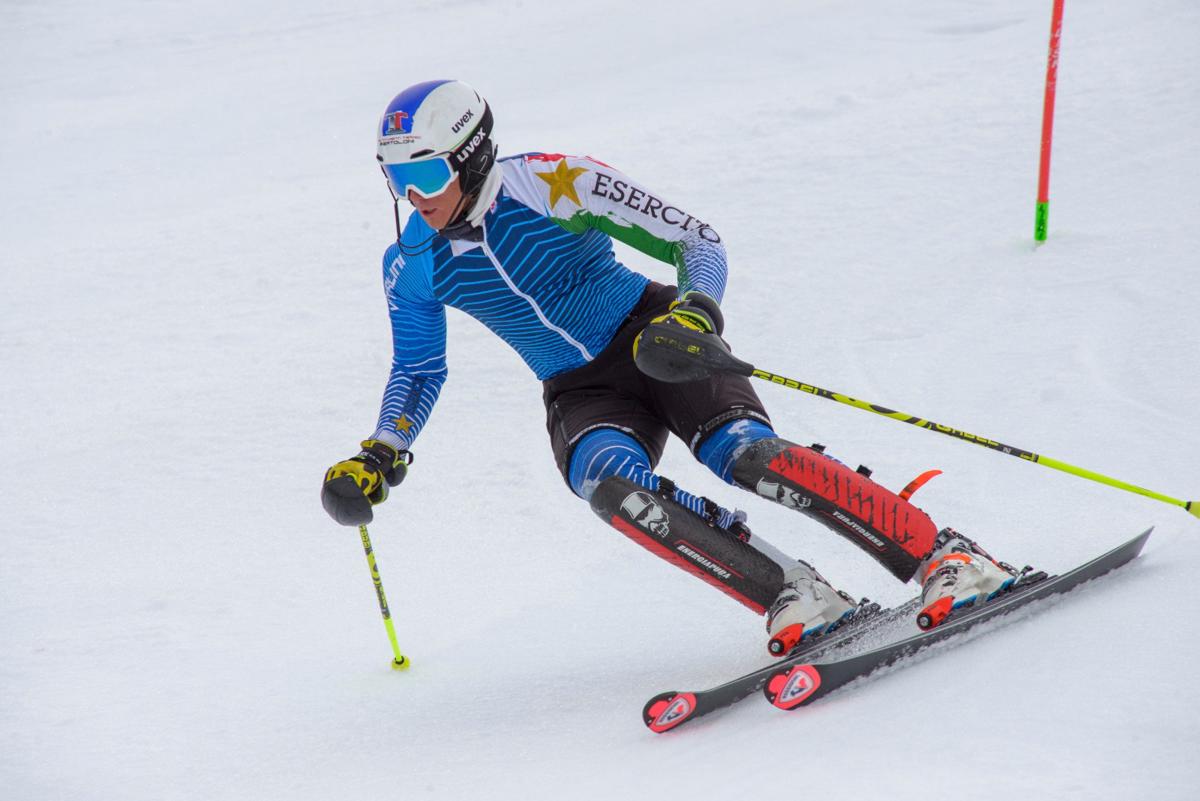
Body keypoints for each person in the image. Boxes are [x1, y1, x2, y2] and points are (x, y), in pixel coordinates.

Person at [321, 79, 1019, 656]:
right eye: (395, 179)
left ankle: (945, 555)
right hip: (580, 388)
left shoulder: (553, 183)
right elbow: (418, 367)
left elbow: (694, 238)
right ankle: (793, 590)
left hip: (654, 334)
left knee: (743, 455)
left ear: (470, 157)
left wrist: (693, 315)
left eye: (425, 173)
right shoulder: (412, 261)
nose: (414, 196)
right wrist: (383, 451)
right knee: (609, 485)